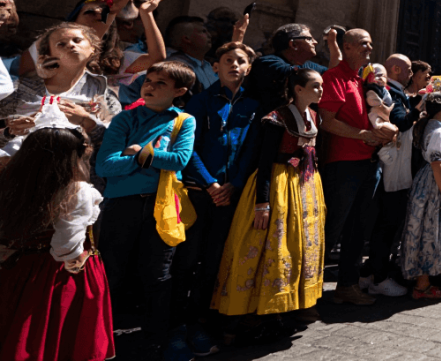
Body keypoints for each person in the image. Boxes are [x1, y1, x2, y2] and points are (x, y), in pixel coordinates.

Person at [95, 60, 196, 361]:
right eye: (148, 80)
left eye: (160, 83)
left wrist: (139, 152)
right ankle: (99, 338)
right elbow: (104, 165)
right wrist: (149, 158)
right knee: (111, 271)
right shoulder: (124, 120)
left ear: (179, 91)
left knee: (157, 274)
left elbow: (179, 161)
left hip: (160, 206)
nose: (150, 86)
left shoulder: (183, 121)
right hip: (121, 205)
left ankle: (154, 339)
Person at [213, 67, 325, 336]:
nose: (321, 90)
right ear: (298, 89)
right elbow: (265, 162)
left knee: (297, 246)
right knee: (271, 244)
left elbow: (303, 154)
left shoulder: (313, 116)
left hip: (304, 185)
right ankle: (253, 313)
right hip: (277, 185)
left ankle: (287, 307)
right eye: (316, 86)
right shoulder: (276, 118)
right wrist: (262, 203)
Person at [172, 42, 260, 355]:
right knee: (185, 260)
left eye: (241, 61)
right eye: (227, 60)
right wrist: (210, 183)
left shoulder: (253, 105)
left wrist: (233, 185)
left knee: (213, 261)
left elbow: (251, 151)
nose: (234, 65)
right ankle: (175, 326)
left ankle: (200, 322)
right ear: (215, 67)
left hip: (231, 196)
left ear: (249, 68)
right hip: (199, 192)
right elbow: (188, 147)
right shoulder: (199, 101)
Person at [0, 120, 114, 361]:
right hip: (54, 275)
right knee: (51, 332)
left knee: (15, 326)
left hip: (16, 267)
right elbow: (66, 248)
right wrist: (78, 259)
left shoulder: (11, 180)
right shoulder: (77, 191)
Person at [317, 29, 390, 306]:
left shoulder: (361, 81)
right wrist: (363, 136)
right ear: (346, 47)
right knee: (331, 228)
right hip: (343, 165)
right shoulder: (334, 77)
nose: (369, 48)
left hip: (367, 164)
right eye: (363, 44)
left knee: (359, 229)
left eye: (370, 43)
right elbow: (328, 121)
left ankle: (346, 285)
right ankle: (307, 292)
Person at [0, 23, 120, 170]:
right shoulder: (19, 89)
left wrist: (88, 121)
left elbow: (115, 142)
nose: (70, 45)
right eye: (61, 44)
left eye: (77, 40)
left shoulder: (103, 94)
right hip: (16, 170)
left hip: (70, 174)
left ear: (92, 49)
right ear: (48, 54)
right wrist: (9, 132)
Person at [364, 54, 422, 298]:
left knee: (387, 223)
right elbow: (401, 122)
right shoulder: (391, 94)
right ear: (396, 69)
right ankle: (379, 276)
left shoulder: (394, 93)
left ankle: (369, 273)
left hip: (397, 164)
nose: (411, 74)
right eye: (409, 70)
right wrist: (419, 106)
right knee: (388, 223)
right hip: (393, 166)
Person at [400, 92, 441, 300]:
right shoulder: (438, 131)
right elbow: (437, 162)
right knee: (429, 230)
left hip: (428, 181)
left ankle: (423, 280)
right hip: (434, 184)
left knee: (425, 229)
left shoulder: (431, 126)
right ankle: (422, 284)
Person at [243, 24, 328, 117]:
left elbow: (332, 75)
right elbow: (297, 74)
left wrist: (334, 48)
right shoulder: (267, 62)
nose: (315, 42)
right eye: (309, 39)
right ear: (293, 44)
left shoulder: (306, 65)